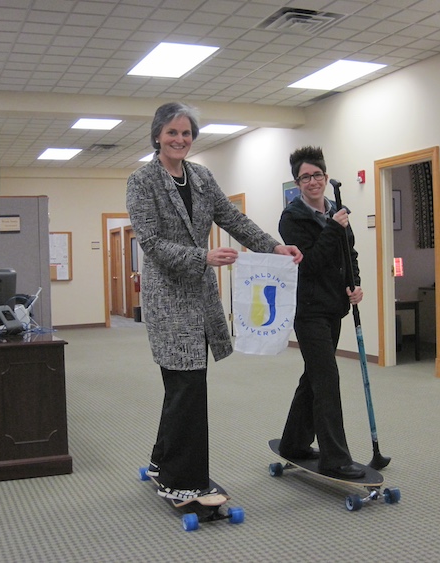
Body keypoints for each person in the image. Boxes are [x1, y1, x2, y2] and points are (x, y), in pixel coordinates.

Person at [126, 102, 302, 501]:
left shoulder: (201, 177)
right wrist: (202, 257)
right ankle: (180, 479)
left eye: (186, 133)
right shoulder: (142, 181)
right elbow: (151, 244)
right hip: (168, 298)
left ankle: (161, 460)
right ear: (157, 135)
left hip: (200, 297)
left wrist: (274, 247)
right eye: (172, 132)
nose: (180, 140)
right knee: (186, 382)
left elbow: (232, 219)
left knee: (184, 383)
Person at [276, 145, 366, 479]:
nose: (312, 182)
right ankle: (335, 458)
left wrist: (354, 285)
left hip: (334, 307)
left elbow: (348, 253)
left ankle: (293, 443)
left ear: (325, 178)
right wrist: (333, 228)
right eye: (305, 177)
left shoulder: (336, 210)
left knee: (314, 377)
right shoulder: (292, 219)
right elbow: (309, 263)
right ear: (297, 183)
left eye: (317, 175)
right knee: (327, 379)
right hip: (308, 310)